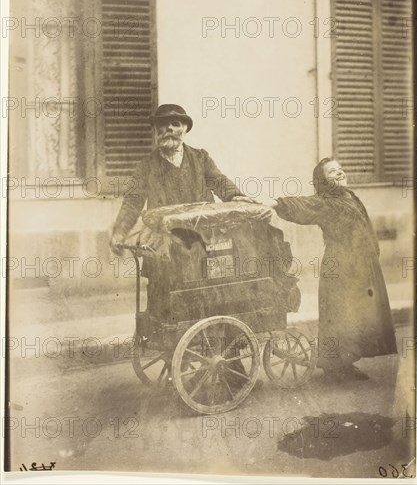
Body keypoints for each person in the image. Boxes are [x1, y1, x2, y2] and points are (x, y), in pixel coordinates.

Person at [270, 157, 397, 381]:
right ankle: (335, 367)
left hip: (360, 267)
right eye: (331, 172)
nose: (339, 173)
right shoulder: (326, 202)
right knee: (341, 315)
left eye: (340, 169)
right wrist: (274, 203)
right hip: (340, 268)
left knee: (356, 315)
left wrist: (373, 256)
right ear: (322, 181)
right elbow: (302, 204)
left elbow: (366, 227)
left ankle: (344, 364)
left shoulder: (350, 197)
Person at [110, 103, 248, 253]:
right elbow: (132, 202)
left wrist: (235, 196)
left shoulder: (201, 158)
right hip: (164, 243)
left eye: (175, 124)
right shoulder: (145, 166)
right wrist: (119, 233)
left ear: (185, 130)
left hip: (202, 239)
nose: (169, 128)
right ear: (155, 130)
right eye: (163, 123)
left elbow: (219, 181)